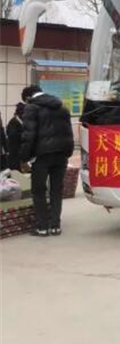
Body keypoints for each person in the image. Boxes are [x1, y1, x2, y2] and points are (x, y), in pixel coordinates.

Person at [19, 85, 74, 237]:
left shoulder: (31, 108)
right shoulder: (62, 107)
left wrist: (24, 158)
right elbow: (69, 133)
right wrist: (68, 152)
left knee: (38, 191)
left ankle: (42, 227)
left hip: (41, 156)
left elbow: (28, 136)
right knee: (56, 190)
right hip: (61, 155)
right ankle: (55, 226)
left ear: (28, 97)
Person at [5, 103, 25, 171]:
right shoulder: (14, 122)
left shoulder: (20, 122)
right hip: (14, 151)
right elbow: (12, 135)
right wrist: (25, 135)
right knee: (14, 169)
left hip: (17, 151)